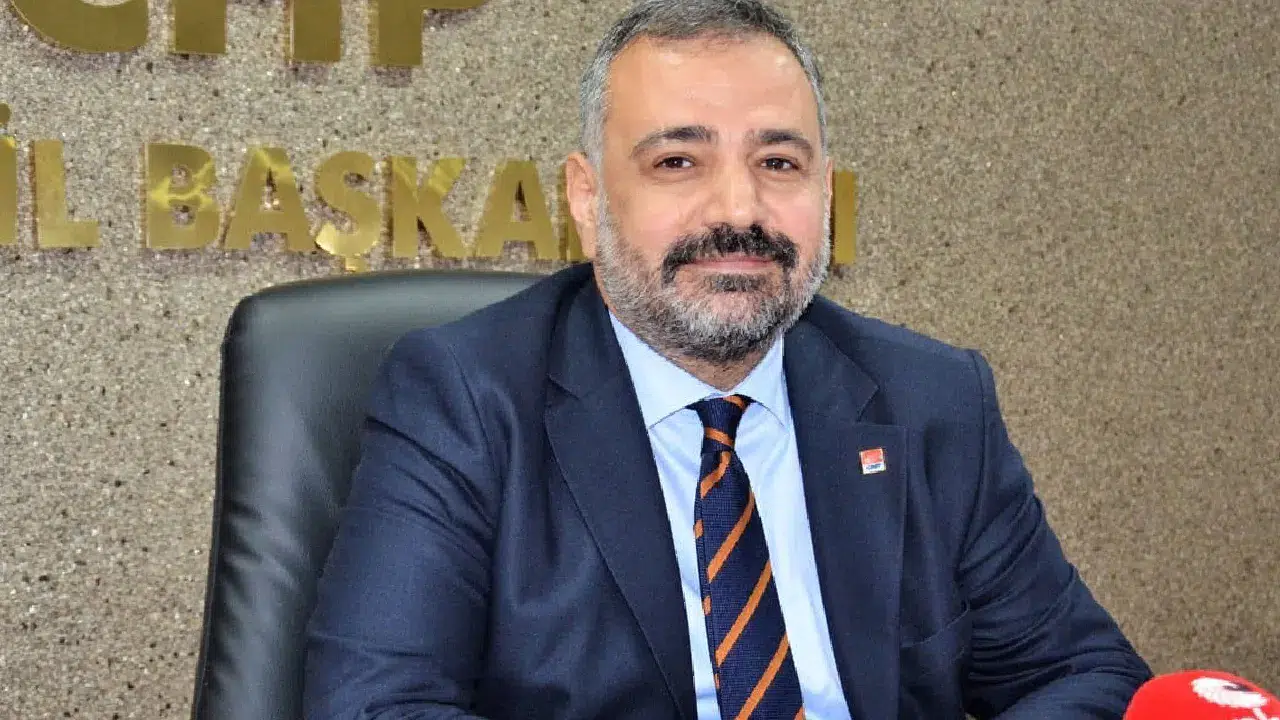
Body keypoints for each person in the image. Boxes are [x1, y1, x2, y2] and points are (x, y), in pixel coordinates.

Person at [304, 1, 1152, 718]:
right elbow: (377, 702)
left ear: (825, 192)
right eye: (678, 161)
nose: (739, 208)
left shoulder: (933, 401)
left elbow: (1084, 675)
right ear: (587, 198)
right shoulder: (466, 397)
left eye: (778, 162)